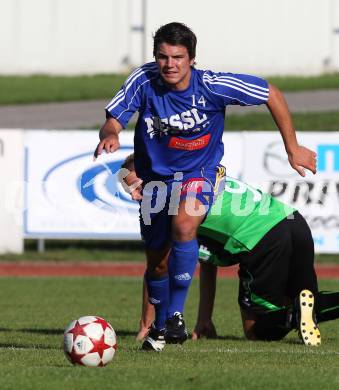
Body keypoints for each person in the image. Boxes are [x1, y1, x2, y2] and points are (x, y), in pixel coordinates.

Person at [94, 22, 317, 352]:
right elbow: (114, 118)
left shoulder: (213, 85)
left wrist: (292, 147)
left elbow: (271, 93)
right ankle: (157, 328)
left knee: (185, 226)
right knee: (156, 263)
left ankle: (174, 317)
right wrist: (110, 134)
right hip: (157, 183)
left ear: (192, 59)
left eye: (177, 57)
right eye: (162, 56)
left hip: (199, 174)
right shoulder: (143, 80)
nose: (169, 64)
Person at [120, 160, 339, 347]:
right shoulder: (196, 176)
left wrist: (147, 326)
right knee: (310, 303)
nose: (135, 196)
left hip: (261, 236)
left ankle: (294, 315)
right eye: (130, 191)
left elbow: (158, 268)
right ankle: (301, 311)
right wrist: (204, 318)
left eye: (138, 186)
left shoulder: (169, 204)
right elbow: (207, 262)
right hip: (293, 221)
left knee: (256, 330)